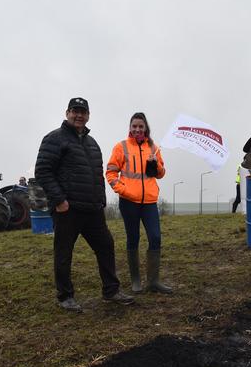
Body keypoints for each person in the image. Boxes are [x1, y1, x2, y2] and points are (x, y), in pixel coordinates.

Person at [35, 97, 135, 312]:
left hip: (92, 209)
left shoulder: (92, 143)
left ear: (88, 115)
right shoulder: (54, 139)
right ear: (67, 113)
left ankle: (111, 290)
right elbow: (43, 171)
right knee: (64, 253)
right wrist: (59, 200)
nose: (79, 115)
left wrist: (101, 201)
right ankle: (65, 296)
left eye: (83, 112)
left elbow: (97, 175)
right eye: (75, 111)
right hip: (67, 209)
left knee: (106, 246)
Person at [106, 112, 172, 294]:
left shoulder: (154, 148)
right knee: (133, 238)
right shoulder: (121, 147)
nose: (137, 129)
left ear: (145, 128)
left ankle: (153, 281)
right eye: (134, 126)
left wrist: (155, 164)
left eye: (140, 126)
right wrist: (123, 190)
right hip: (128, 202)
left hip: (149, 201)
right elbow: (110, 173)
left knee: (155, 238)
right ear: (130, 128)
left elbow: (160, 173)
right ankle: (136, 280)